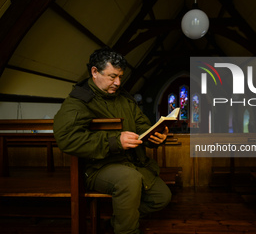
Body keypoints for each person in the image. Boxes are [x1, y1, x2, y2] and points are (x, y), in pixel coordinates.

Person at [53, 47, 171, 234]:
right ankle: (127, 230)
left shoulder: (124, 98)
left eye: (120, 77)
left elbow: (142, 126)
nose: (117, 82)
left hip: (132, 162)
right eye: (112, 76)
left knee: (162, 197)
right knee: (129, 179)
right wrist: (116, 141)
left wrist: (155, 137)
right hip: (98, 167)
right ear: (94, 72)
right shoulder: (79, 100)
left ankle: (118, 221)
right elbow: (67, 138)